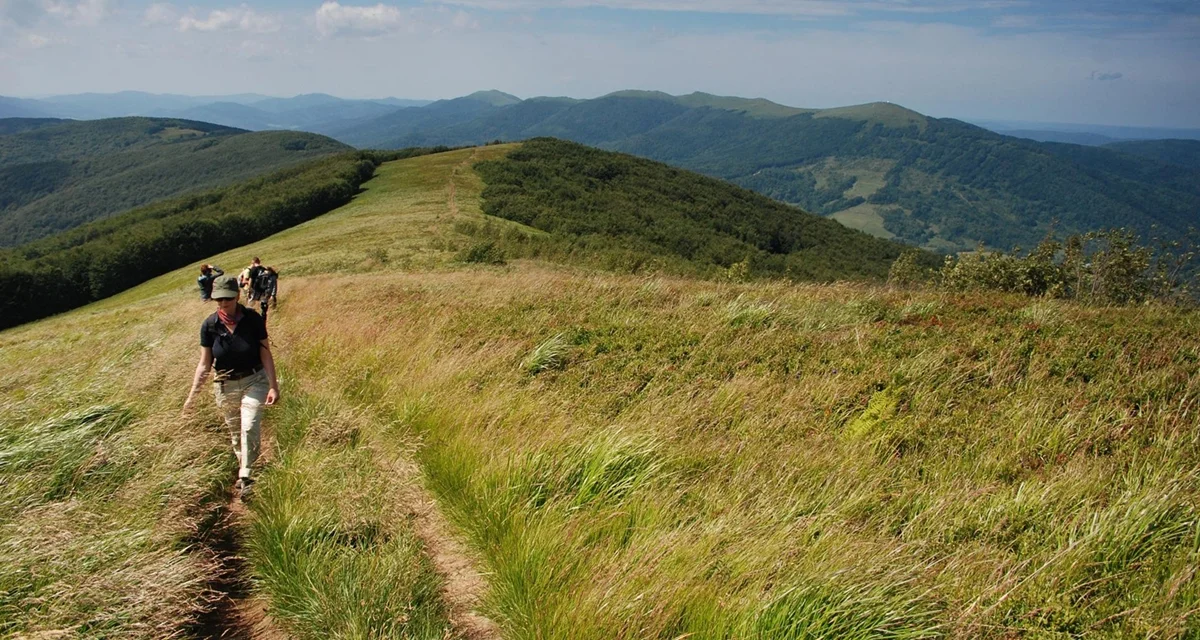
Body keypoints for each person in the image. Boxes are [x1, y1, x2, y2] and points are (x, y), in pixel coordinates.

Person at [182, 273, 280, 499]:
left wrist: (273, 386)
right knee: (236, 434)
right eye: (219, 300)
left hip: (255, 380)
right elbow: (204, 364)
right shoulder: (209, 326)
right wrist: (191, 397)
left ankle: (246, 475)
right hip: (225, 386)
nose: (224, 304)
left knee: (250, 425)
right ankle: (245, 468)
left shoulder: (253, 320)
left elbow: (266, 354)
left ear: (237, 296)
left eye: (227, 299)